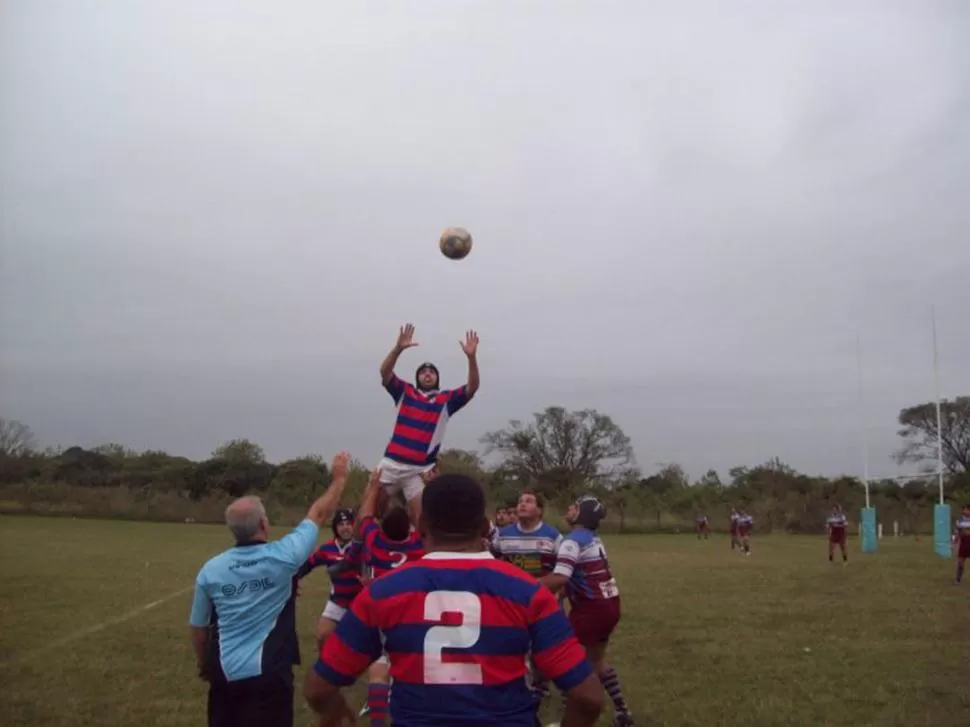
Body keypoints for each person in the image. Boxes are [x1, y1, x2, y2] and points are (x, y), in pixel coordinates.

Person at [303, 473, 604, 727]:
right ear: (485, 528)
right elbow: (588, 697)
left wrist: (333, 713)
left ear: (420, 527)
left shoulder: (383, 592)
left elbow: (319, 688)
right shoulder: (528, 591)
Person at [188, 452, 351, 727]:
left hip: (223, 676)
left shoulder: (210, 570)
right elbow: (319, 513)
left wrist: (205, 664)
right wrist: (339, 479)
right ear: (264, 524)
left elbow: (199, 628)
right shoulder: (284, 556)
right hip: (270, 677)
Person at [342, 466, 427, 726]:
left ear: (382, 529)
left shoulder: (375, 543)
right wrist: (417, 486)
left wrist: (374, 486)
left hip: (380, 613)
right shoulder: (418, 546)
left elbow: (365, 516)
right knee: (408, 668)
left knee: (378, 672)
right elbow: (422, 518)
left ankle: (378, 722)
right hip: (411, 614)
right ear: (410, 530)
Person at [541, 495, 634, 727]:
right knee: (596, 661)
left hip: (590, 610)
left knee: (568, 664)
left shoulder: (572, 541)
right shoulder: (593, 538)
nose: (569, 508)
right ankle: (623, 712)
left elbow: (561, 576)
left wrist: (523, 584)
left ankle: (569, 719)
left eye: (574, 506)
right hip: (610, 604)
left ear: (581, 514)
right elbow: (579, 575)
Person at [377, 322, 480, 526]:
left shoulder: (446, 400)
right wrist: (397, 349)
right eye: (423, 371)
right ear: (418, 377)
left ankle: (420, 555)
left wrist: (471, 358)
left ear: (437, 378)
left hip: (420, 470)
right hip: (391, 462)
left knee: (422, 521)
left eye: (431, 372)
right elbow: (384, 373)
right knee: (371, 509)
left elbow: (473, 387)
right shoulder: (405, 392)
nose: (427, 374)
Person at [490, 488, 563, 700]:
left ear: (539, 510)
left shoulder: (552, 536)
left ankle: (542, 685)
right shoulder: (504, 535)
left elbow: (564, 569)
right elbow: (492, 560)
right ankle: (519, 683)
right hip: (512, 603)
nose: (523, 504)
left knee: (543, 648)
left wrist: (560, 593)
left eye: (529, 501)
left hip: (543, 603)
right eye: (521, 501)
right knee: (514, 644)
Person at [297, 508, 363, 649]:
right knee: (322, 635)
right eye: (341, 524)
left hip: (360, 602)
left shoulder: (362, 548)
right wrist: (294, 579)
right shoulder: (327, 548)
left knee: (363, 645)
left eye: (348, 523)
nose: (345, 528)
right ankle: (325, 667)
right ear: (335, 527)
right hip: (337, 602)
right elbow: (308, 564)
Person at [952, 503, 970, 584]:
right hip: (963, 543)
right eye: (964, 509)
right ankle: (958, 579)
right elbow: (956, 532)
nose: (965, 511)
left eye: (966, 509)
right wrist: (953, 542)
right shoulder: (959, 520)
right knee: (960, 561)